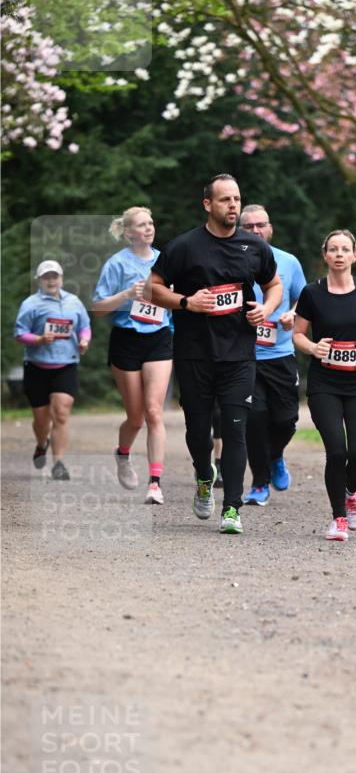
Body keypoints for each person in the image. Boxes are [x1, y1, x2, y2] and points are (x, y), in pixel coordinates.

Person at [149, 173, 282, 534]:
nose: (233, 206)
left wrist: (266, 309)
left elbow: (274, 285)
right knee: (198, 431)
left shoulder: (254, 247)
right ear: (207, 204)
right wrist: (186, 302)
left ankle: (232, 508)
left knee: (236, 430)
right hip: (195, 354)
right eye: (225, 200)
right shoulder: (184, 246)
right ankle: (204, 475)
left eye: (237, 199)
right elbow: (152, 289)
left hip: (239, 354)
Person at [293, 229, 356, 542]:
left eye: (344, 249)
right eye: (333, 249)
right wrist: (312, 348)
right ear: (325, 255)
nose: (338, 254)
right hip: (325, 382)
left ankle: (351, 492)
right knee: (337, 452)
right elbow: (297, 334)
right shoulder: (312, 293)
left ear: (353, 255)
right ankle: (339, 518)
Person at [92, 207, 172, 504]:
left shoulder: (166, 262)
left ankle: (154, 483)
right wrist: (127, 295)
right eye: (141, 224)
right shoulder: (116, 264)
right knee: (136, 418)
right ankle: (123, 454)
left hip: (160, 339)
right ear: (128, 232)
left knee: (154, 411)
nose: (149, 228)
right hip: (126, 340)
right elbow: (98, 307)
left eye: (151, 222)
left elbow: (174, 301)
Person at [238, 204, 306, 506]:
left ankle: (276, 454)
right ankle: (259, 483)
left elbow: (303, 301)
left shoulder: (288, 262)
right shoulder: (229, 259)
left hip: (280, 353)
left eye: (260, 225)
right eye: (249, 227)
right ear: (240, 230)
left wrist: (292, 314)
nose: (255, 231)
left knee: (286, 418)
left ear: (270, 227)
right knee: (254, 418)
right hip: (243, 356)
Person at [15, 259, 91, 480]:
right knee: (41, 419)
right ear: (39, 280)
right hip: (37, 366)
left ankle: (58, 463)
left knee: (61, 412)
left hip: (65, 364)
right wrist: (38, 339)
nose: (51, 280)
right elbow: (20, 334)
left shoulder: (74, 302)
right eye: (46, 277)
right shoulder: (30, 304)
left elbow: (85, 327)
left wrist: (84, 341)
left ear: (61, 278)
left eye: (54, 276)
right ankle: (41, 443)